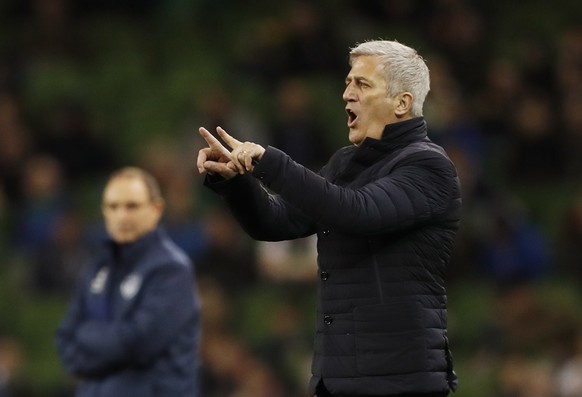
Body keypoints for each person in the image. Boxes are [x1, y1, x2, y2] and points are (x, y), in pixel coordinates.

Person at [197, 39, 461, 397]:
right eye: (348, 82)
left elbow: (356, 211)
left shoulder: (428, 165)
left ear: (402, 102)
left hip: (399, 379)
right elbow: (277, 222)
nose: (347, 94)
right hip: (339, 377)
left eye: (363, 84)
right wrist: (236, 183)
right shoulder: (343, 164)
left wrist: (270, 162)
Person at [55, 166, 201, 397]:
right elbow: (66, 341)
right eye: (113, 207)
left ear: (156, 209)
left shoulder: (172, 270)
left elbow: (139, 343)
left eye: (132, 206)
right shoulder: (96, 268)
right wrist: (112, 344)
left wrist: (90, 338)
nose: (122, 216)